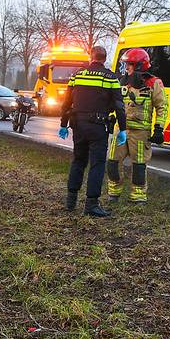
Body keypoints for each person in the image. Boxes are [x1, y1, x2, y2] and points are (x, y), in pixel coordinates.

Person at [59, 45, 126, 217]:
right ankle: (91, 205)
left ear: (91, 57)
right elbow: (119, 106)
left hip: (78, 125)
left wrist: (63, 124)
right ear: (104, 59)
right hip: (98, 126)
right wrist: (123, 129)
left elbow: (66, 103)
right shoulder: (111, 77)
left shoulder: (77, 75)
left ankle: (70, 201)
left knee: (78, 161)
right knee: (97, 164)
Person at [106, 48, 168, 203]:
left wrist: (159, 128)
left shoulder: (154, 83)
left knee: (139, 165)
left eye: (129, 65)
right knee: (112, 162)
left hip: (140, 132)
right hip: (120, 130)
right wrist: (109, 117)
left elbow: (162, 107)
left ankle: (138, 197)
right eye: (125, 64)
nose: (126, 68)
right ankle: (113, 194)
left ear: (139, 65)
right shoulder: (121, 81)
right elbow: (113, 103)